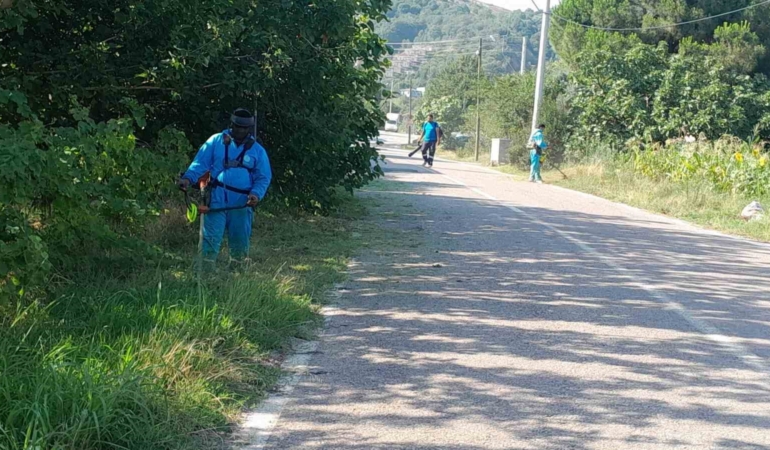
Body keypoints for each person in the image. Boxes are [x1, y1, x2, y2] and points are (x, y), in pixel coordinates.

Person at [177, 108, 272, 261]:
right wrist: (187, 179)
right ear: (231, 125)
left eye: (244, 128)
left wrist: (255, 194)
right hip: (216, 200)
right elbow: (200, 163)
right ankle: (205, 275)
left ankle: (238, 276)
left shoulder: (257, 150)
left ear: (249, 129)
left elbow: (263, 177)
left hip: (242, 203)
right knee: (210, 239)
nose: (240, 130)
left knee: (240, 242)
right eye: (237, 126)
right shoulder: (215, 141)